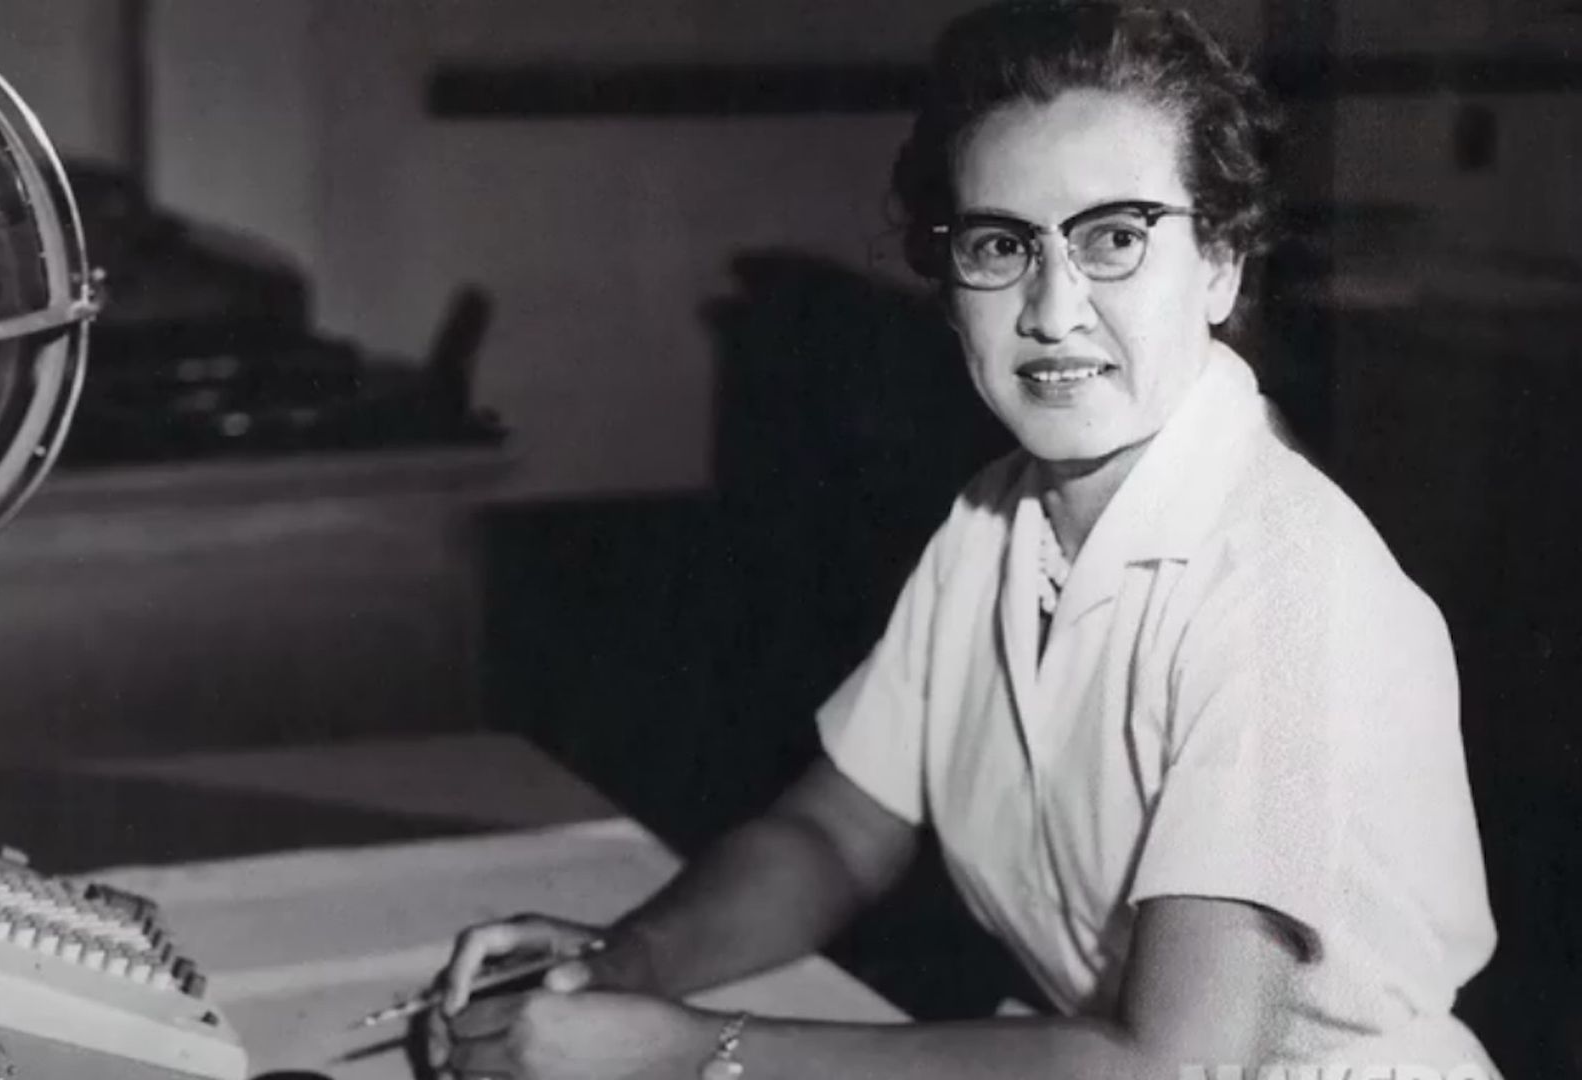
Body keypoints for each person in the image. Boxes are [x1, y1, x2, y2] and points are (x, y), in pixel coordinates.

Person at [428, 3, 1501, 1077]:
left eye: (1115, 238)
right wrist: (626, 965)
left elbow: (1174, 1068)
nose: (1052, 307)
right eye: (1000, 245)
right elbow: (837, 836)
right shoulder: (998, 519)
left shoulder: (1291, 594)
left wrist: (691, 1053)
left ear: (1219, 264)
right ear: (950, 294)